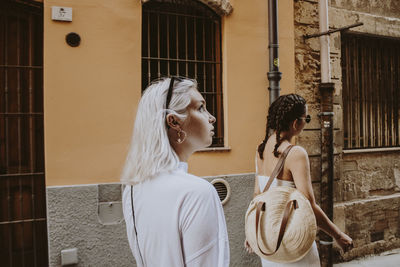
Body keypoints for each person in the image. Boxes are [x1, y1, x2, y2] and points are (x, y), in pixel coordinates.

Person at [121, 77, 230, 267]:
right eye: (200, 108)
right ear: (174, 122)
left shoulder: (132, 189)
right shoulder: (198, 193)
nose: (211, 117)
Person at [245, 94, 353, 266]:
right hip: (292, 240)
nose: (305, 122)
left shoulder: (261, 149)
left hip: (268, 239)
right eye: (306, 118)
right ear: (296, 123)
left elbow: (257, 195)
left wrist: (252, 231)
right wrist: (338, 235)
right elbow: (309, 205)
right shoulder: (295, 154)